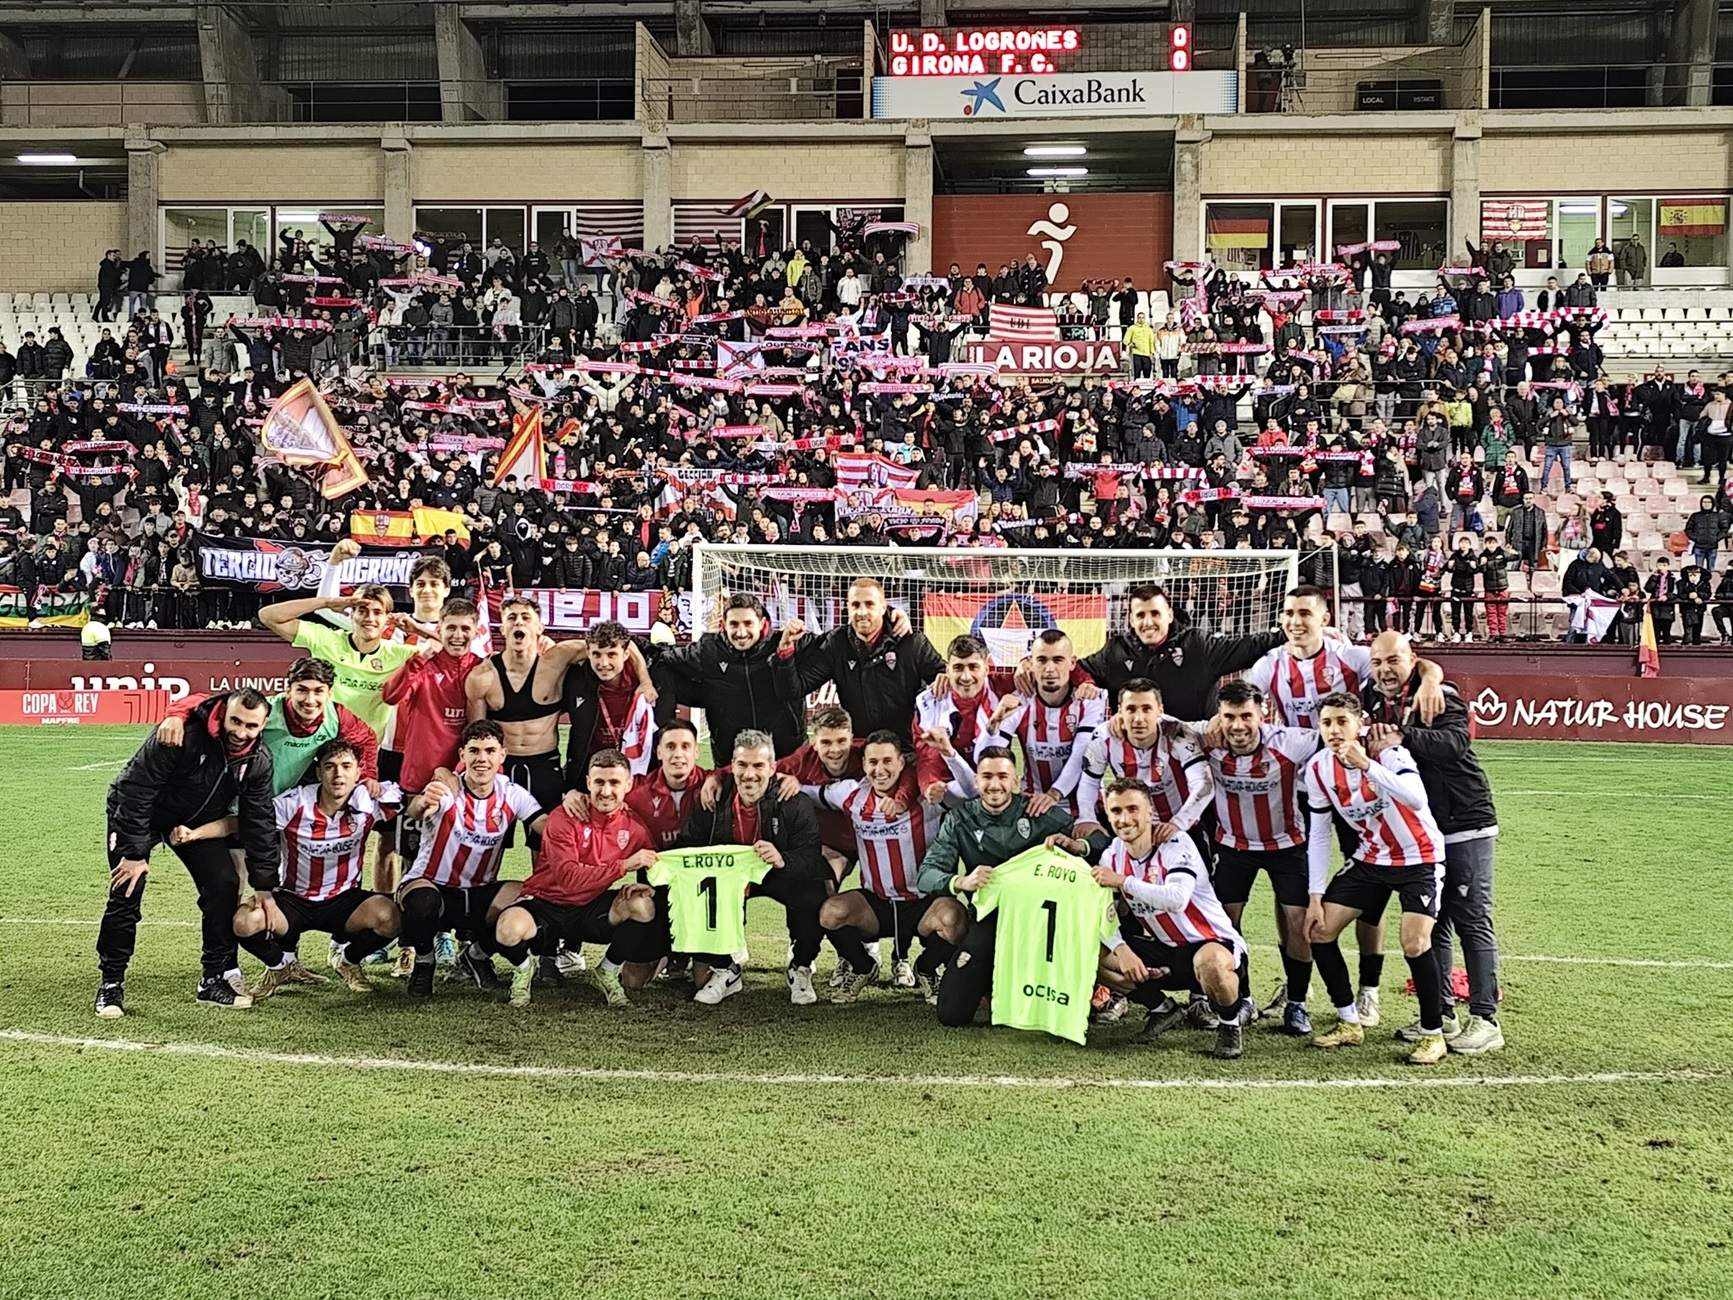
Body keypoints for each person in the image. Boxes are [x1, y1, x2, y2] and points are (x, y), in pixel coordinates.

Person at [95, 688, 279, 1017]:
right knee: (127, 888)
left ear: (263, 726)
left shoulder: (258, 760)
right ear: (223, 714)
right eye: (235, 721)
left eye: (251, 726)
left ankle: (213, 979)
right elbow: (136, 788)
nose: (240, 732)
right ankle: (111, 984)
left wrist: (264, 883)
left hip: (194, 822)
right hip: (140, 815)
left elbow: (259, 820)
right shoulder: (181, 734)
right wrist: (135, 852)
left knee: (223, 883)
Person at [1363, 633, 1503, 1054]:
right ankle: (1441, 1012)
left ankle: (1485, 1018)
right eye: (1377, 662)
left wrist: (1402, 736)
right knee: (1434, 920)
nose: (1385, 669)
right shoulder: (1373, 699)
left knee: (1471, 918)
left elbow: (1455, 743)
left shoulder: (1438, 694)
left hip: (1464, 820)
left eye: (1394, 660)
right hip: (1424, 829)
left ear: (1413, 660)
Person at [1302, 693, 1451, 1065]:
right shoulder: (1318, 769)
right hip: (1371, 858)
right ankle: (1349, 1021)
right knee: (1319, 930)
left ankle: (1434, 1035)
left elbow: (1416, 799)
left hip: (1419, 857)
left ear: (1360, 724)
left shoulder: (1388, 754)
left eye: (1342, 722)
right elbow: (1319, 833)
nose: (1334, 730)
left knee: (1415, 943)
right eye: (1326, 723)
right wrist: (1315, 894)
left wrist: (1366, 764)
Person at [918, 747, 1091, 1029]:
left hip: (1039, 925)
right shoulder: (960, 819)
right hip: (990, 921)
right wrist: (961, 881)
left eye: (1002, 776)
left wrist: (1079, 846)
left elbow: (1101, 847)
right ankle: (986, 980)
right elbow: (927, 874)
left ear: (1016, 781)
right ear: (976, 781)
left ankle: (1093, 985)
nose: (995, 784)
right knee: (951, 1014)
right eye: (986, 776)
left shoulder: (1040, 813)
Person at [1075, 779, 1248, 1058]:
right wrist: (1122, 950)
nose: (1125, 818)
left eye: (1133, 809)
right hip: (1167, 950)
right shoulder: (1112, 855)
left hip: (1212, 944)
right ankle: (1162, 1009)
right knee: (1089, 950)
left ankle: (1229, 1025)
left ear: (1150, 812)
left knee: (1211, 963)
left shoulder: (1176, 842)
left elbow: (1176, 899)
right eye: (1116, 811)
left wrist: (1123, 881)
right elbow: (1099, 914)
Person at [1191, 681, 1322, 1034]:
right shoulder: (1206, 738)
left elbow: (1337, 734)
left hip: (1287, 845)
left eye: (1246, 715)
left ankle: (1296, 1003)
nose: (1237, 725)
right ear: (1219, 716)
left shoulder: (1289, 742)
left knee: (1298, 924)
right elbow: (1163, 725)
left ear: (1261, 713)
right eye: (1229, 716)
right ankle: (1244, 998)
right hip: (1233, 847)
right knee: (1227, 925)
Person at [229, 737, 402, 999]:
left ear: (359, 771)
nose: (338, 774)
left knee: (392, 917)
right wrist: (196, 833)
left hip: (344, 901)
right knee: (244, 922)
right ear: (318, 771)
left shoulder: (369, 801)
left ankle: (348, 960)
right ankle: (280, 966)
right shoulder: (293, 803)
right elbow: (249, 825)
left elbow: (410, 801)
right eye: (330, 766)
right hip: (292, 900)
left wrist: (437, 787)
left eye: (346, 766)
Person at [670, 729, 827, 1006]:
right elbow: (688, 845)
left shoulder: (794, 802)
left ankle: (800, 965)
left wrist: (783, 859)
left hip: (778, 872)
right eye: (742, 765)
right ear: (731, 766)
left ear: (772, 768)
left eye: (758, 765)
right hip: (732, 880)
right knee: (702, 888)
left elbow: (811, 856)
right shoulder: (713, 799)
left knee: (813, 894)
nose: (749, 774)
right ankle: (727, 969)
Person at [492, 749, 660, 1009]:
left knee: (642, 905)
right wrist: (624, 866)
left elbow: (654, 861)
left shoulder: (634, 827)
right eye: (599, 782)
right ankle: (524, 969)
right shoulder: (564, 817)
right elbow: (568, 878)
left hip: (590, 910)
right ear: (588, 783)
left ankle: (606, 971)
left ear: (627, 785)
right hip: (546, 903)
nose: (605, 791)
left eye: (614, 783)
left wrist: (644, 883)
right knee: (507, 929)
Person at [817, 730, 973, 1004]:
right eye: (873, 762)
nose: (880, 770)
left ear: (903, 762)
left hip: (923, 902)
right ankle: (863, 967)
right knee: (830, 913)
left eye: (888, 761)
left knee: (955, 920)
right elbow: (803, 791)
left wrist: (948, 752)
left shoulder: (928, 796)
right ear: (863, 764)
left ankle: (926, 969)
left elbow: (970, 791)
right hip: (877, 904)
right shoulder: (850, 795)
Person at [398, 720, 549, 999]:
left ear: (502, 755)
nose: (482, 759)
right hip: (433, 886)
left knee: (532, 901)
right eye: (474, 751)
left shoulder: (512, 793)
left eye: (490, 751)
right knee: (422, 903)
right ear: (462, 756)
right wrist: (422, 802)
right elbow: (418, 810)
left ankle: (476, 955)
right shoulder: (448, 789)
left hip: (480, 892)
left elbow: (547, 828)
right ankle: (424, 963)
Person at [462, 595, 593, 843]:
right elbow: (475, 735)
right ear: (502, 628)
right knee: (489, 845)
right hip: (500, 770)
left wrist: (646, 681)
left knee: (546, 849)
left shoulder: (558, 659)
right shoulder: (482, 676)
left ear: (539, 627)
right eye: (511, 618)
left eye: (525, 618)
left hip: (545, 767)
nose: (518, 623)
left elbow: (612, 646)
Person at [1079, 582, 1286, 719]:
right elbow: (1077, 668)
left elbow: (1251, 646)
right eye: (1140, 615)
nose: (1148, 622)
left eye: (1155, 614)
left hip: (1194, 750)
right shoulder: (1116, 650)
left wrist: (1290, 633)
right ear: (1131, 619)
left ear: (1169, 615)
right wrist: (1086, 682)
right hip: (1136, 757)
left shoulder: (1197, 645)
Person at [774, 576, 945, 741]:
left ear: (884, 607)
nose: (862, 612)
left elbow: (946, 676)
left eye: (869, 604)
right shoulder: (836, 644)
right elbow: (793, 690)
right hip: (862, 750)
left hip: (908, 749)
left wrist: (946, 678)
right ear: (847, 608)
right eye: (855, 605)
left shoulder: (912, 642)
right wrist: (785, 650)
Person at [651, 593, 806, 760]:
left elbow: (831, 651)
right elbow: (664, 658)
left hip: (787, 758)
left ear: (762, 623)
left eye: (748, 623)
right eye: (734, 624)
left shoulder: (789, 643)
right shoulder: (709, 650)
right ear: (724, 625)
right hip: (730, 761)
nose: (741, 632)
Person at [973, 629, 1105, 817]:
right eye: (1042, 660)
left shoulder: (1090, 700)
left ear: (1072, 663)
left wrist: (1053, 795)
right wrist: (995, 720)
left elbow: (1080, 757)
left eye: (1058, 660)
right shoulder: (1019, 701)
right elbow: (983, 758)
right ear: (1031, 664)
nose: (1050, 669)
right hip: (1033, 805)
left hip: (1084, 808)